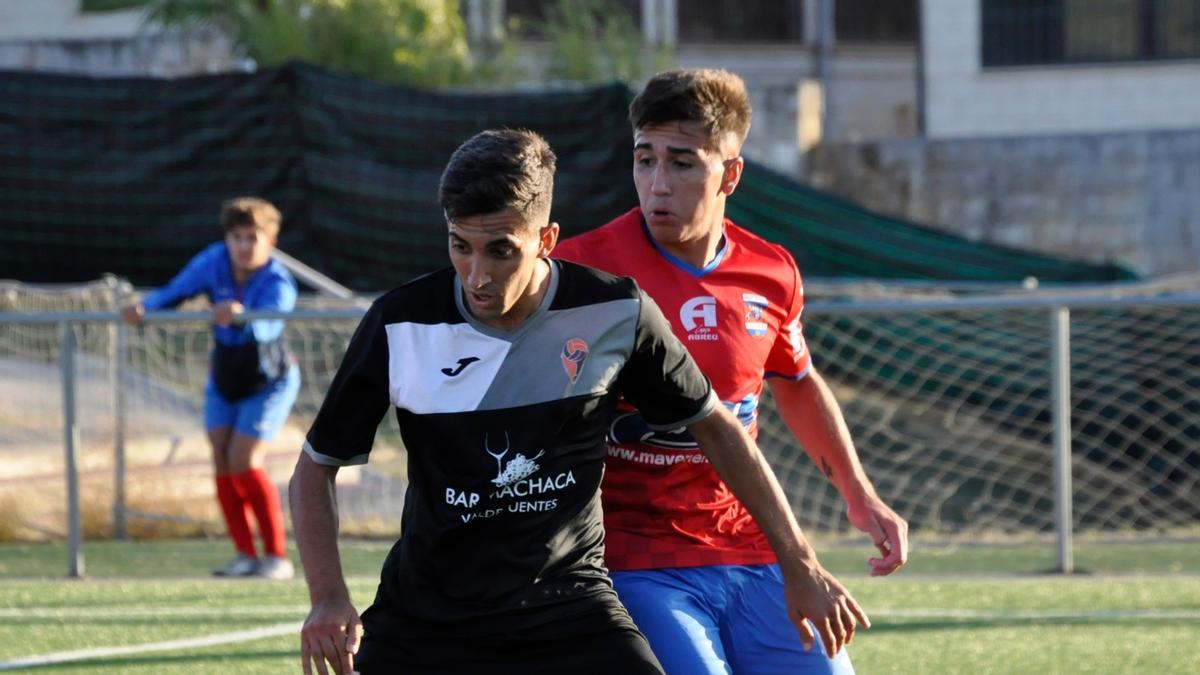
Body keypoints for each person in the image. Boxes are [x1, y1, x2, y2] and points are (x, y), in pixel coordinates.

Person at [290, 128, 867, 675]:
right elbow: (316, 468)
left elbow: (717, 427)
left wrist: (799, 561)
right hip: (427, 616)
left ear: (546, 241)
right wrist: (328, 597)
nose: (476, 276)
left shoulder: (614, 311)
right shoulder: (400, 322)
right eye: (459, 246)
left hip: (569, 607)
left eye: (500, 251)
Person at [553, 68, 909, 674]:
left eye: (683, 163)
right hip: (635, 557)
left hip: (752, 548)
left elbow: (795, 380)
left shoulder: (771, 271)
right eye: (646, 160)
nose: (658, 183)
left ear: (731, 174)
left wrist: (860, 495)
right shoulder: (580, 274)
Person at [121, 196, 299, 580]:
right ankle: (244, 555)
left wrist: (240, 319)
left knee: (244, 459)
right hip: (225, 376)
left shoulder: (277, 280)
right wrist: (145, 308)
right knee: (220, 458)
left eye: (253, 237)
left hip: (268, 380)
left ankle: (277, 557)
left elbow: (270, 324)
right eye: (237, 236)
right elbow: (175, 290)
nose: (244, 246)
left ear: (271, 241)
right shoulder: (213, 260)